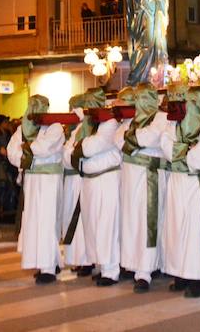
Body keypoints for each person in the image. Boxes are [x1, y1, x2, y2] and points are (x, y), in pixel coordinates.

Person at [163, 83, 200, 299]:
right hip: (176, 180)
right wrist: (186, 150)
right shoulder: (174, 125)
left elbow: (198, 160)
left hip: (197, 182)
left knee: (195, 229)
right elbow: (165, 147)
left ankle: (196, 278)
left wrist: (181, 151)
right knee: (176, 227)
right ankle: (179, 274)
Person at [8, 95, 64, 283]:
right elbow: (12, 152)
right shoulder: (22, 128)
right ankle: (43, 263)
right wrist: (26, 154)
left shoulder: (55, 127)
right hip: (32, 179)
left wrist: (26, 151)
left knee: (47, 222)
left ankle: (48, 267)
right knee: (33, 222)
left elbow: (45, 147)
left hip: (49, 180)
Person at [119, 83, 169, 293]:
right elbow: (117, 140)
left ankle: (145, 271)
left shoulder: (161, 118)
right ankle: (132, 264)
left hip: (149, 177)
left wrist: (132, 139)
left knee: (148, 223)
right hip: (130, 179)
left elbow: (149, 138)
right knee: (131, 223)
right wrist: (133, 140)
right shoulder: (132, 120)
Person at [73, 88, 122, 286]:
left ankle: (111, 270)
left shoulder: (110, 123)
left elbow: (91, 147)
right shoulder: (84, 125)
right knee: (92, 226)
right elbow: (69, 153)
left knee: (106, 226)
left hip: (106, 180)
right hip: (88, 181)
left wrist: (80, 147)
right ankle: (101, 266)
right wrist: (80, 148)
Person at [59, 97, 91, 274]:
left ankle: (85, 260)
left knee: (79, 222)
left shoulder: (83, 128)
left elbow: (74, 154)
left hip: (78, 180)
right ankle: (76, 259)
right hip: (70, 181)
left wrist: (66, 155)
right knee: (70, 220)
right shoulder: (72, 130)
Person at [123, 0, 154, 85]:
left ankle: (148, 77)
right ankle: (136, 78)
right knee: (142, 48)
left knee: (151, 46)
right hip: (138, 17)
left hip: (150, 16)